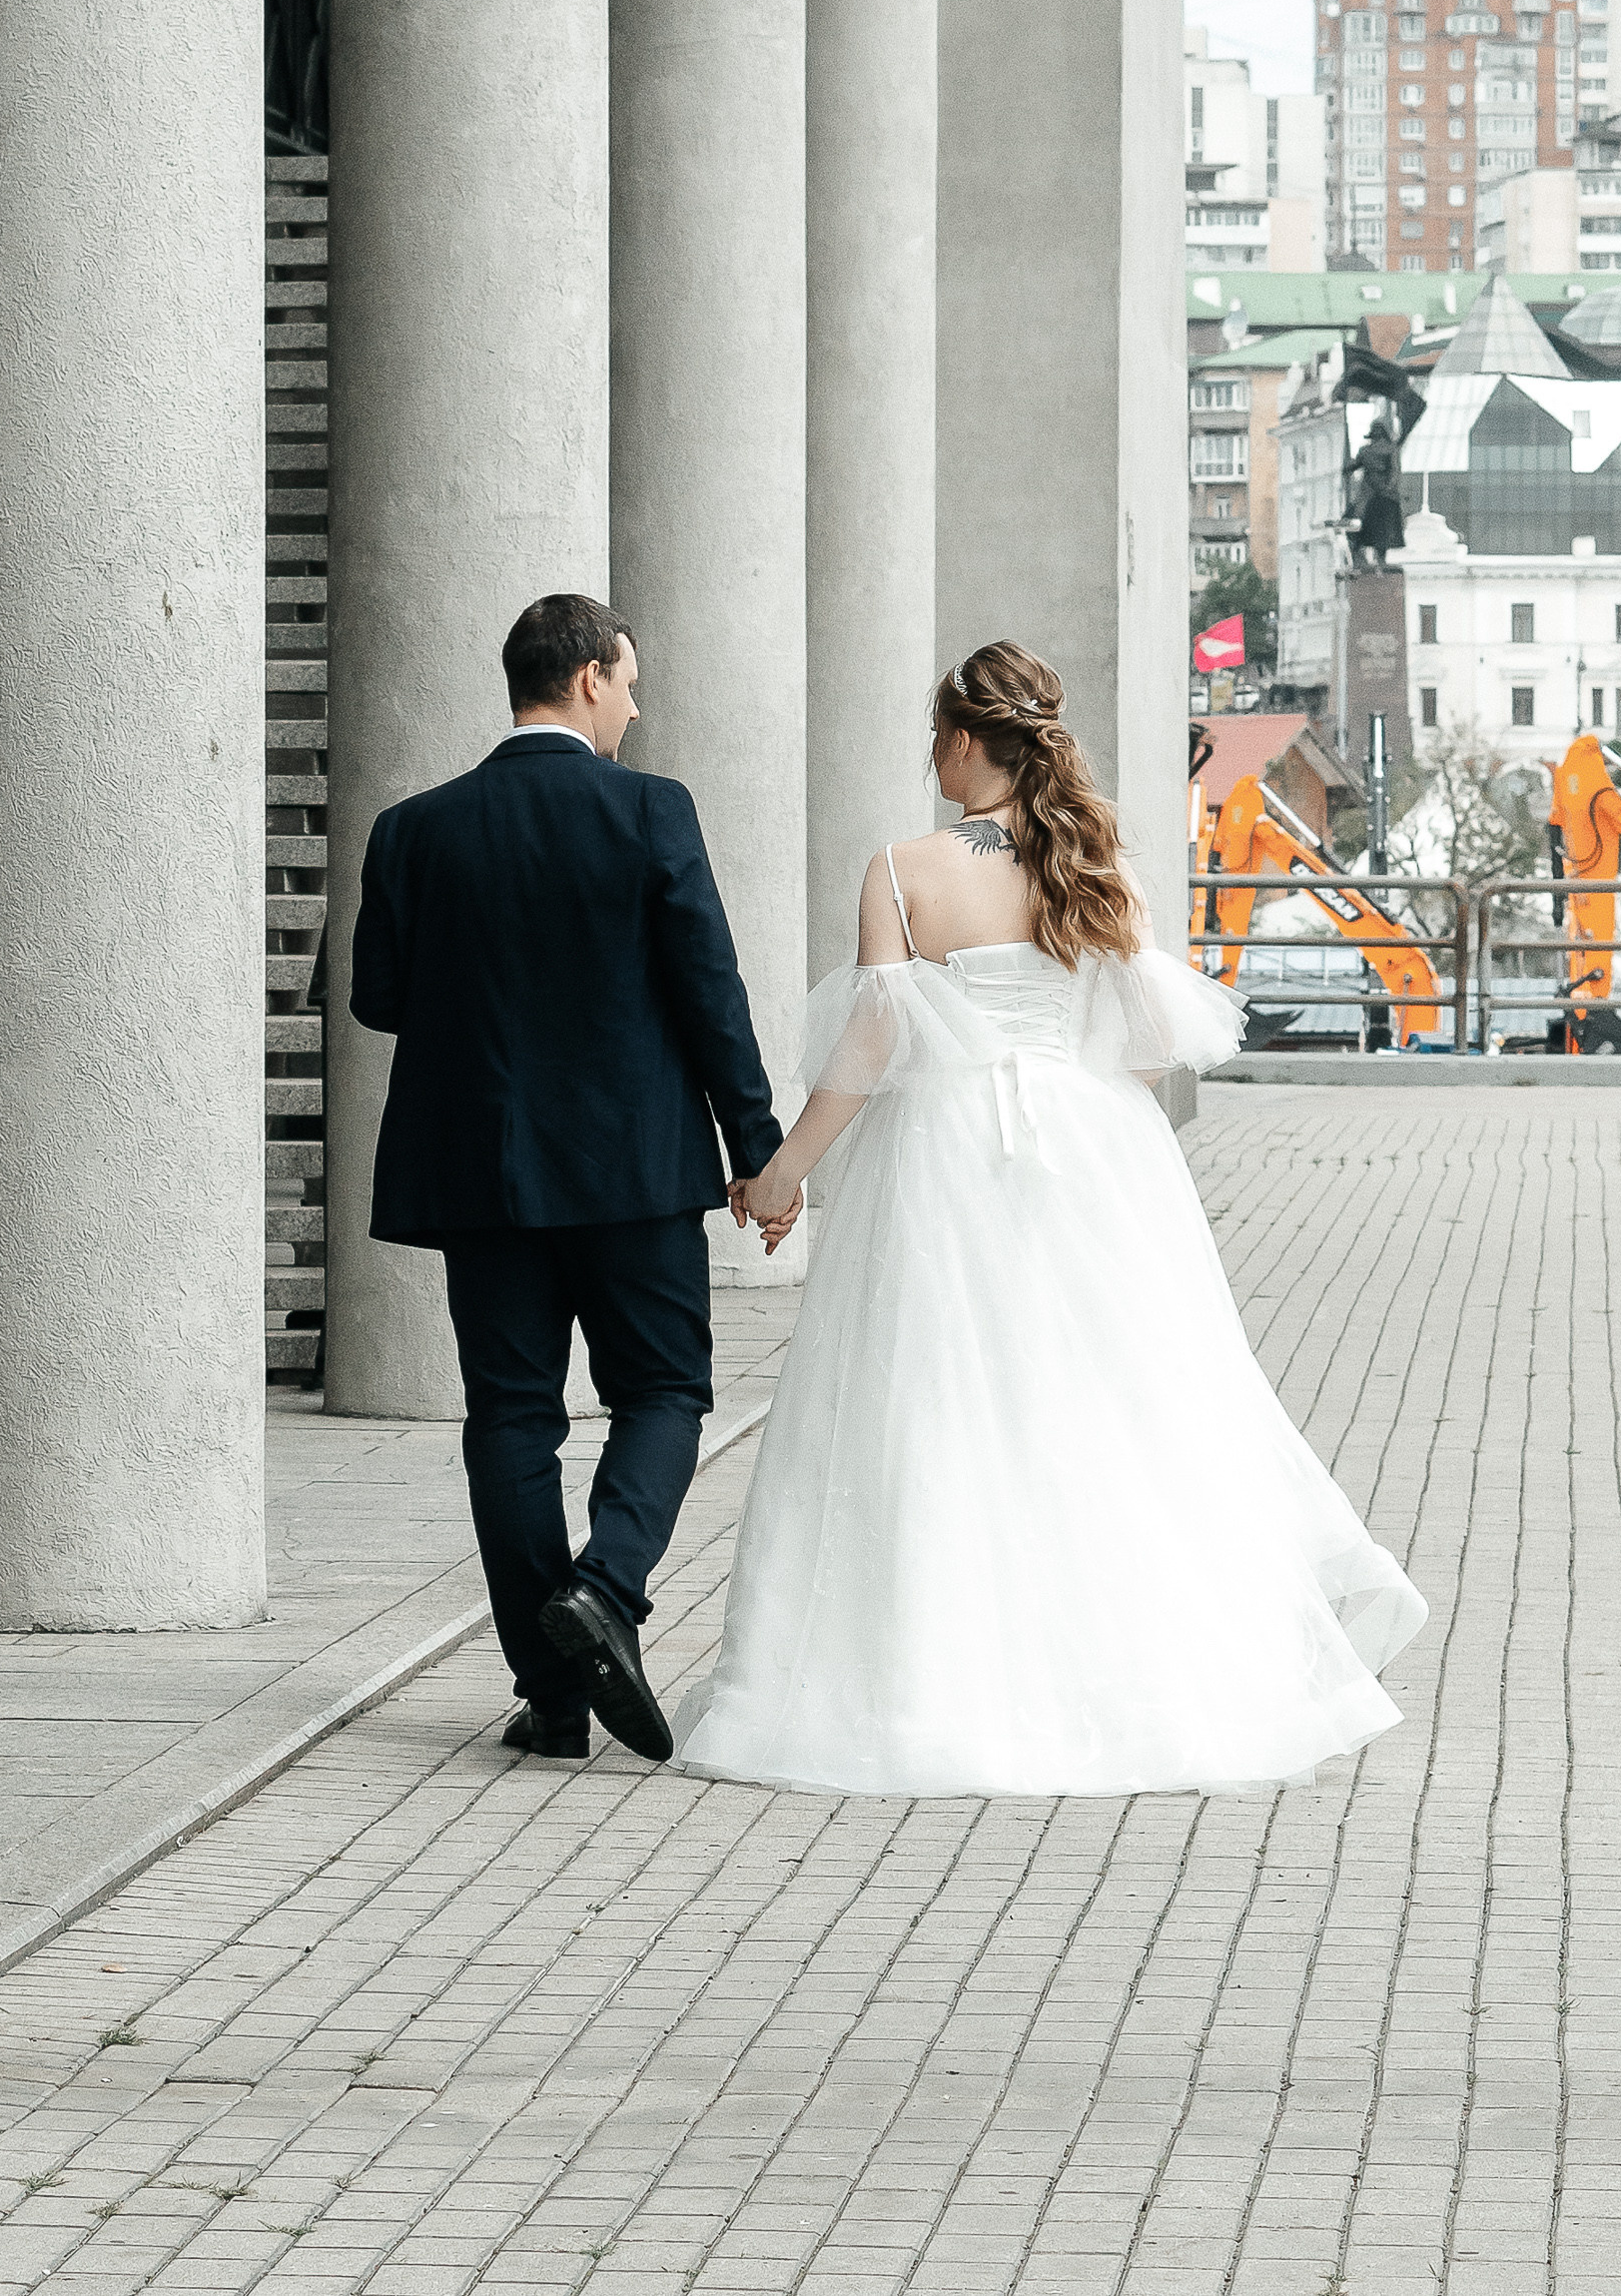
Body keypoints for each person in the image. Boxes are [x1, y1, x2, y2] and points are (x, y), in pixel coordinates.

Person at [672, 641, 1426, 1798]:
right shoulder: (1089, 856)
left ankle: (925, 1675)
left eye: (936, 735)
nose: (930, 757)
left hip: (945, 1156)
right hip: (1090, 1149)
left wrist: (781, 1174)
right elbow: (1136, 1037)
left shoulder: (899, 866)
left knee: (931, 1407)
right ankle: (1136, 1668)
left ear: (967, 739)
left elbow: (871, 1045)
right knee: (1105, 1401)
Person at [351, 594, 787, 1767]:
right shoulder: (649, 810)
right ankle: (606, 1588)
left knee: (510, 1416)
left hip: (481, 1175)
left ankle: (549, 1695)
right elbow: (711, 991)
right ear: (588, 676)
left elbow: (378, 999)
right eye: (630, 682)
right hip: (632, 1170)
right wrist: (758, 1151)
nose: (636, 706)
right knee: (662, 1390)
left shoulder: (411, 827)